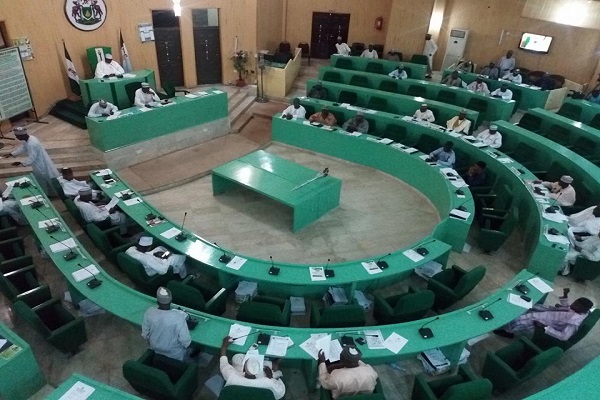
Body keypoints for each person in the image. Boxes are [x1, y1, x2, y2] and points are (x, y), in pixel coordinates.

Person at [494, 288, 593, 341]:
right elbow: (567, 308)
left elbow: (564, 337)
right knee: (529, 305)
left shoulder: (574, 322)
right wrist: (565, 295)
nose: (573, 305)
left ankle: (508, 332)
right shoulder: (579, 310)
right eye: (575, 302)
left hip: (547, 323)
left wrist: (545, 327)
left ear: (582, 309)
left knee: (520, 319)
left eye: (576, 305)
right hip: (551, 313)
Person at [220, 335, 285, 399]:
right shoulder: (268, 382)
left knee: (236, 358)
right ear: (258, 372)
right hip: (262, 384)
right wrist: (270, 377)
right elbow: (281, 392)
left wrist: (224, 346)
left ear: (243, 369)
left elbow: (223, 364)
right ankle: (275, 362)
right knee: (272, 366)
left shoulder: (232, 377)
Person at [2, 127, 59, 196]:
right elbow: (23, 148)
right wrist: (11, 154)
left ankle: (50, 194)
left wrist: (21, 163)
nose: (16, 138)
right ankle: (49, 193)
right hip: (38, 163)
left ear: (22, 135)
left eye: (17, 136)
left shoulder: (32, 144)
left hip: (40, 165)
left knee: (44, 180)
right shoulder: (30, 138)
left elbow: (32, 158)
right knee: (43, 180)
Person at [142, 287, 192, 361]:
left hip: (155, 352)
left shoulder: (149, 312)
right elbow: (186, 341)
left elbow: (145, 334)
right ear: (171, 300)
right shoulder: (178, 317)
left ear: (157, 301)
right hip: (175, 355)